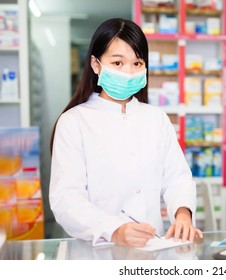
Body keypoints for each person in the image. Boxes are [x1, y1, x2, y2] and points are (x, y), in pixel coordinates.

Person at [49, 18, 203, 247]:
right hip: (99, 249)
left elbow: (177, 178)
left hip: (154, 248)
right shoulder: (74, 122)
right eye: (118, 63)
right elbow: (67, 199)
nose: (128, 72)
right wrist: (115, 230)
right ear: (96, 64)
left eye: (137, 63)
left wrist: (182, 214)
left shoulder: (156, 118)